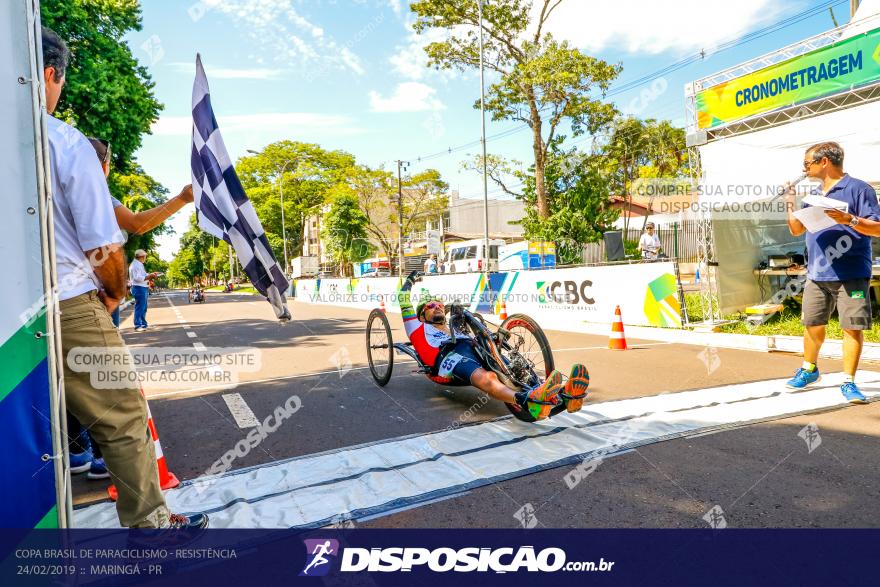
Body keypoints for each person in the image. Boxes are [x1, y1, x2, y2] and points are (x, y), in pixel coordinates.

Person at [42, 26, 206, 528]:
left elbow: (129, 223)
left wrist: (179, 200)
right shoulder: (65, 144)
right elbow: (107, 243)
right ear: (51, 74)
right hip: (69, 301)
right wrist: (113, 294)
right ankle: (150, 525)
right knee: (123, 415)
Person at [397, 271, 590, 421]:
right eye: (430, 306)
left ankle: (564, 397)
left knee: (507, 365)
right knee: (488, 376)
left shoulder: (454, 326)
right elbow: (403, 298)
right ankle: (524, 400)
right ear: (421, 315)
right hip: (447, 357)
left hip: (472, 347)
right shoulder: (416, 327)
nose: (437, 307)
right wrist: (411, 280)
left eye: (439, 304)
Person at [784, 141, 880, 403]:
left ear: (824, 161)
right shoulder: (813, 195)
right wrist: (790, 202)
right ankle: (809, 369)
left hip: (851, 272)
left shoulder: (859, 189)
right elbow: (796, 230)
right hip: (817, 273)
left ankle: (848, 381)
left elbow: (878, 228)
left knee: (852, 327)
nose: (804, 169)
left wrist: (850, 220)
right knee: (812, 324)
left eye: (807, 163)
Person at [86, 138, 193, 326]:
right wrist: (182, 199)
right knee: (107, 354)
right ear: (103, 168)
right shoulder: (96, 196)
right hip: (90, 296)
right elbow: (138, 224)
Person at [129, 249, 157, 331]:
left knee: (143, 307)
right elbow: (137, 278)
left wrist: (152, 274)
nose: (145, 258)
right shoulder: (135, 265)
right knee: (140, 307)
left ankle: (144, 324)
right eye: (145, 256)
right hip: (138, 287)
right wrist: (149, 276)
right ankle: (138, 325)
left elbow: (143, 275)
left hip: (142, 287)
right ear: (141, 257)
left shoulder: (139, 264)